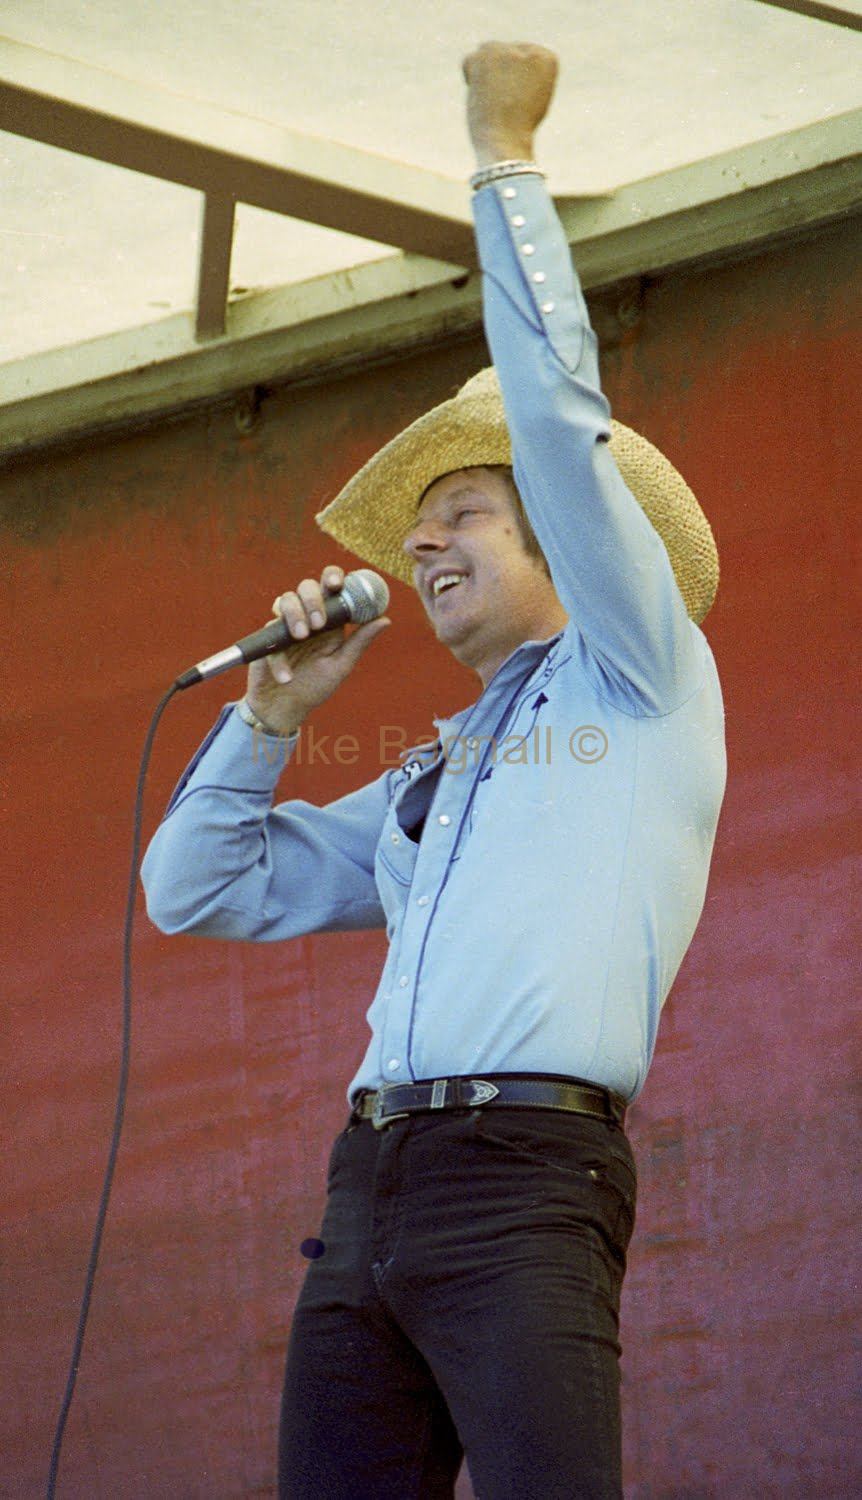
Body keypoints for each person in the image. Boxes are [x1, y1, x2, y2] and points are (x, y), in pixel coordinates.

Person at [142, 41, 726, 1500]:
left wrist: (500, 159)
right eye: (421, 520)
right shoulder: (433, 772)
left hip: (525, 1171)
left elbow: (554, 424)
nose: (420, 542)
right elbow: (191, 887)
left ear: (564, 543)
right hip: (371, 1188)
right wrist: (269, 718)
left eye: (463, 510)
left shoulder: (633, 673)